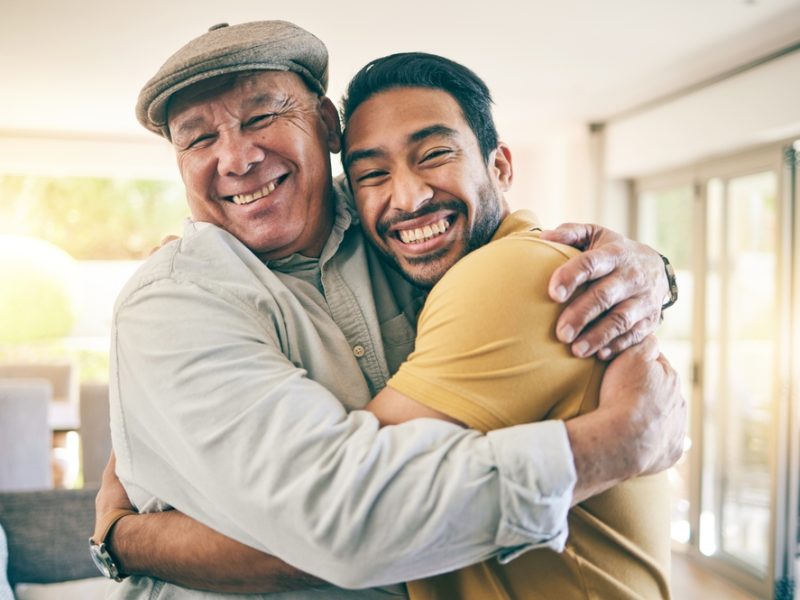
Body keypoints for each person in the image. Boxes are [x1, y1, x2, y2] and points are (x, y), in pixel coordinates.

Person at [93, 20, 684, 599]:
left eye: (262, 116)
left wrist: (653, 270)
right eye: (198, 138)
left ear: (326, 125)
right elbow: (348, 523)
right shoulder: (175, 301)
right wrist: (614, 447)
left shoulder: (397, 229)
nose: (238, 157)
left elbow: (507, 246)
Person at [341, 51, 671, 599]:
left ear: (500, 167)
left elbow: (344, 511)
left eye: (435, 154)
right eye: (372, 174)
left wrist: (143, 539)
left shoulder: (508, 276)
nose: (408, 197)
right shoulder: (437, 280)